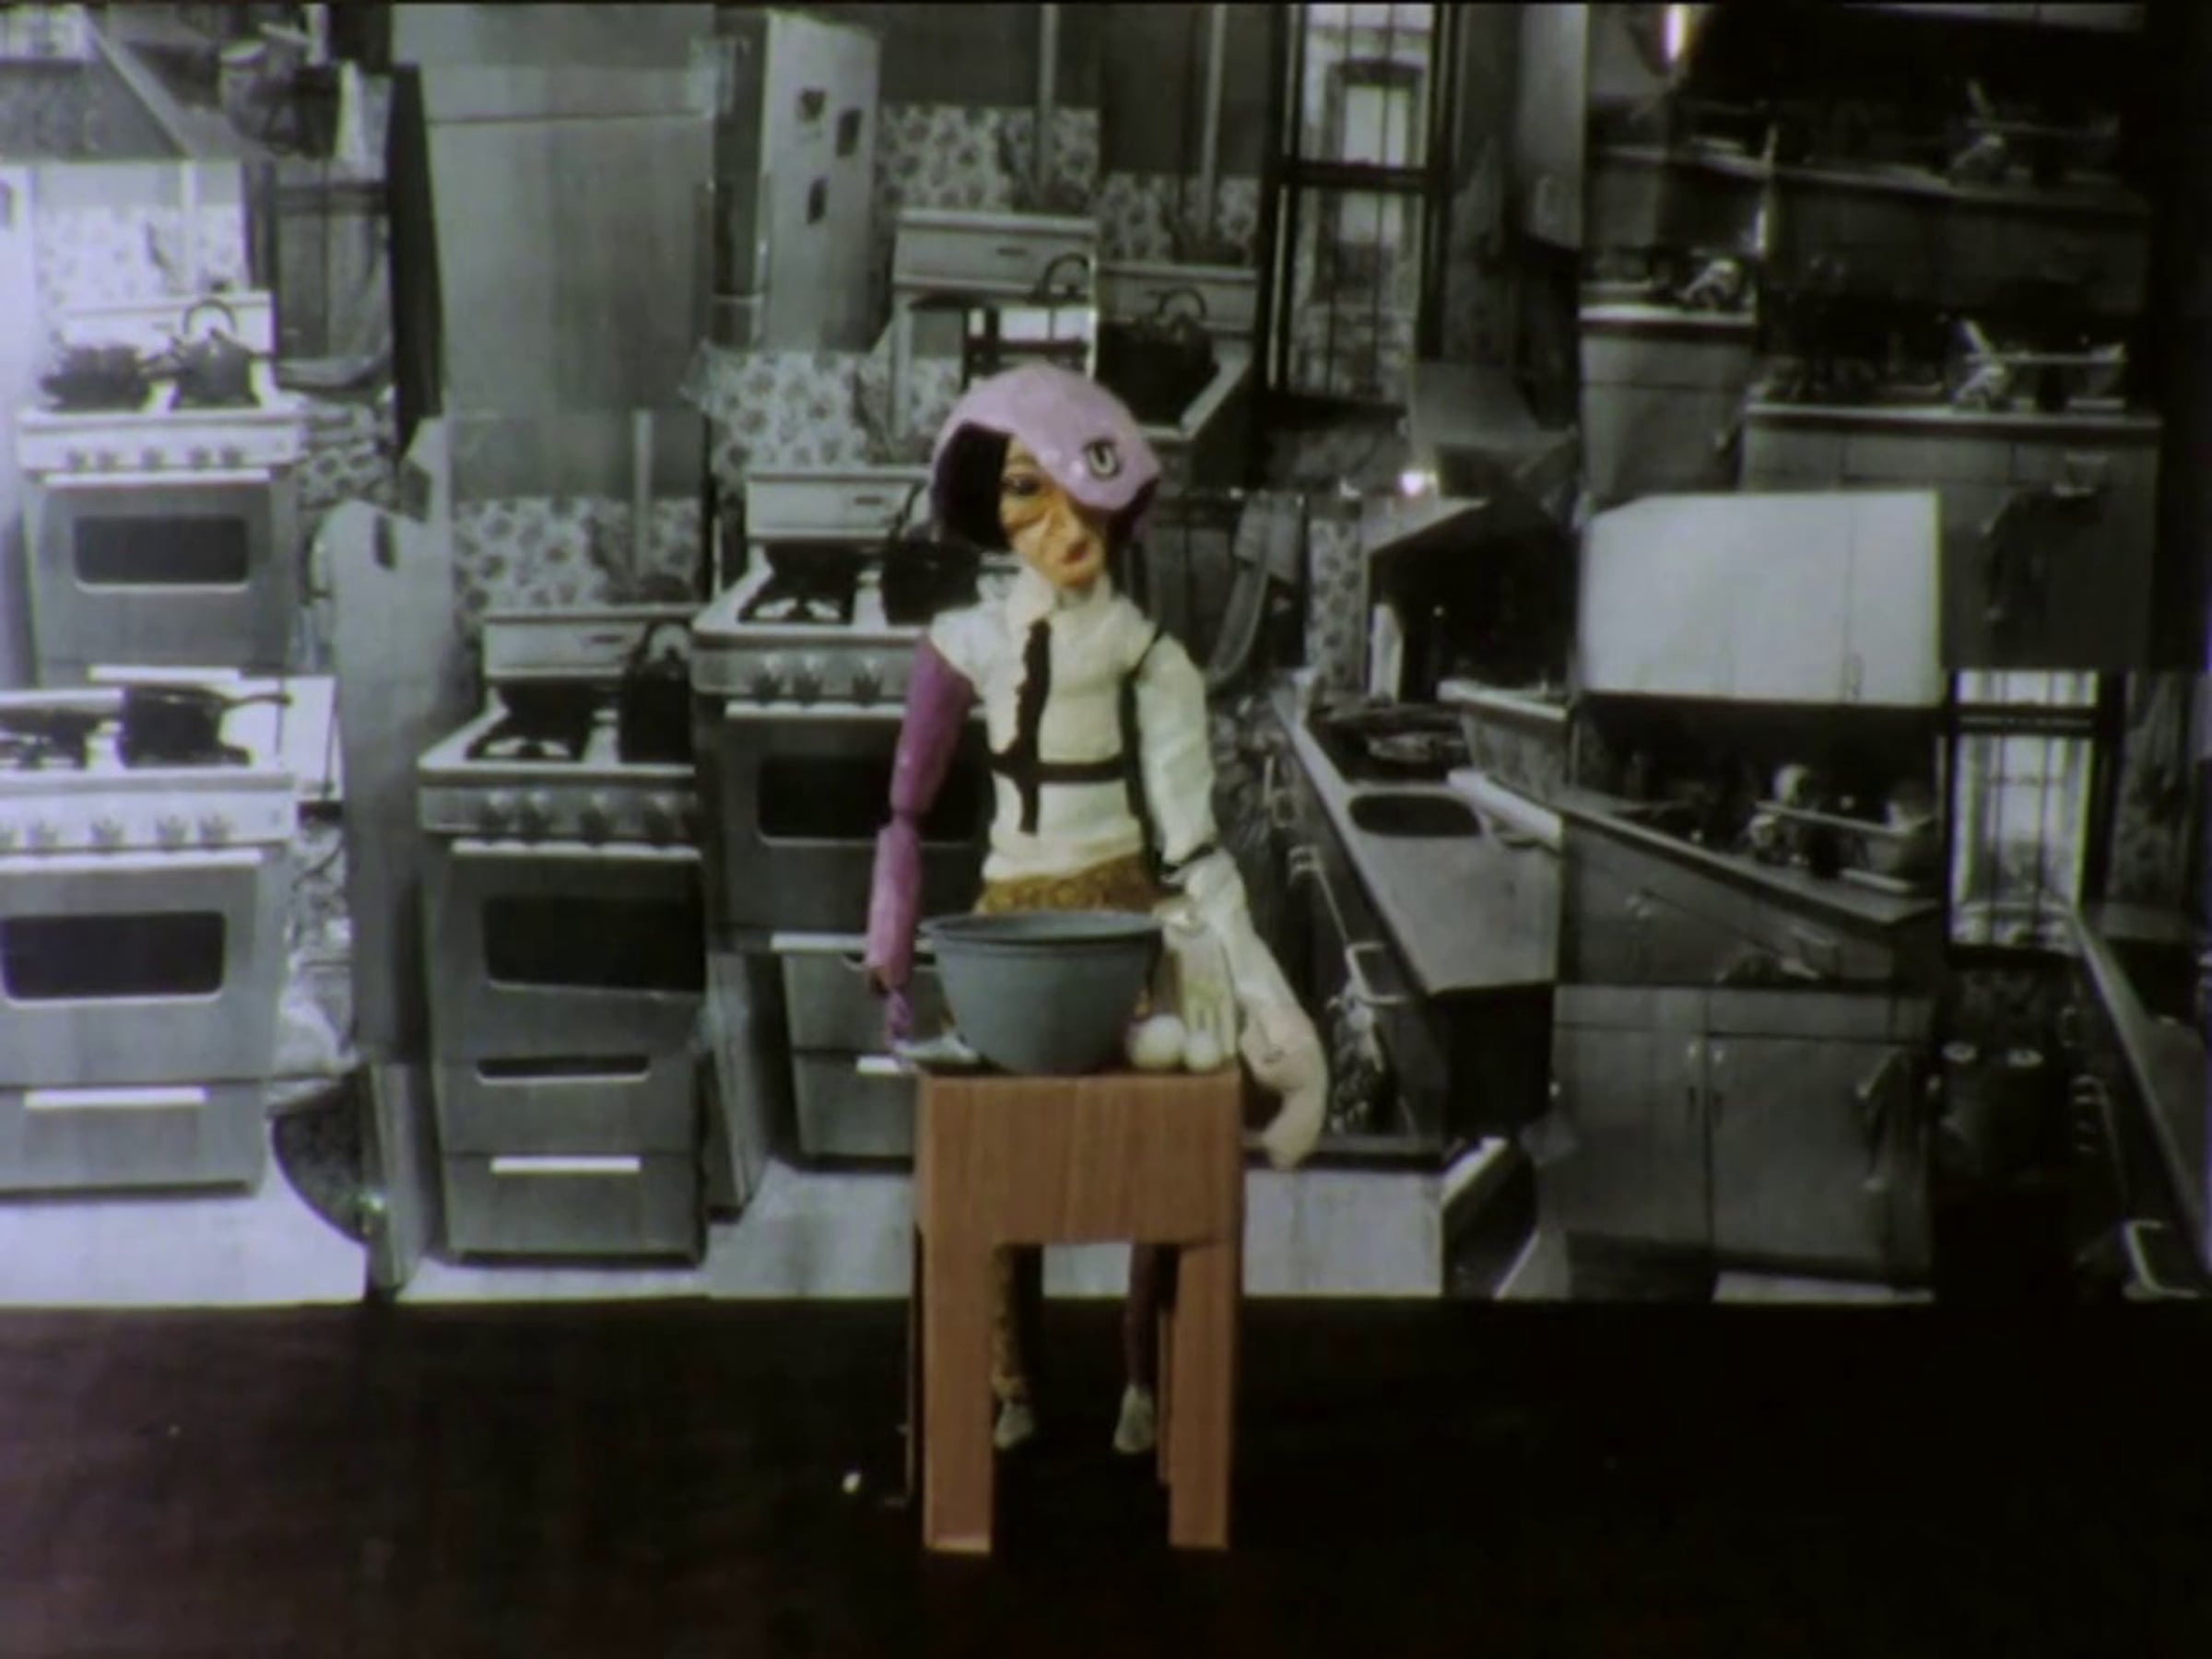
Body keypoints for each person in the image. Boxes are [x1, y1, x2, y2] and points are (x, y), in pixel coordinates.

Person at [864, 361, 1326, 1457]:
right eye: (1029, 491)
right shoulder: (966, 642)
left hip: (1125, 924)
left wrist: (1271, 1010)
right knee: (991, 1164)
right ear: (991, 503)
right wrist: (890, 948)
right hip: (1007, 934)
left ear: (1121, 503)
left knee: (1162, 1152)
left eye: (1082, 494)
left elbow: (1194, 845)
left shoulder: (1151, 661)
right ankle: (1011, 1383)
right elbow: (904, 811)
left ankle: (1145, 1381)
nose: (1064, 526)